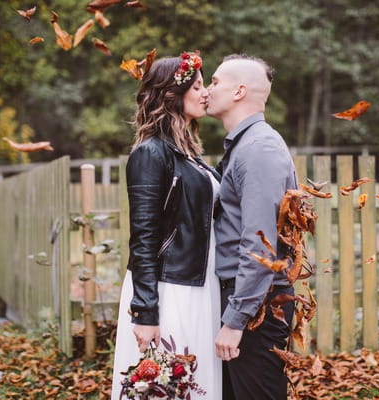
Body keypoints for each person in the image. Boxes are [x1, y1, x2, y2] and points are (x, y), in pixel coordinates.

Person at [110, 52, 222, 400]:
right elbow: (143, 237)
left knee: (195, 383)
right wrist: (145, 311)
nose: (206, 93)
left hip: (199, 286)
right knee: (169, 387)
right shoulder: (150, 153)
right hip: (170, 290)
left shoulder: (188, 153)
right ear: (172, 95)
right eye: (198, 86)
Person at [206, 54, 298, 399]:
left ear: (239, 91)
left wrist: (235, 320)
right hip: (248, 298)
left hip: (258, 303)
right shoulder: (245, 144)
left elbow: (261, 247)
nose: (207, 89)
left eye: (215, 82)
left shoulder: (258, 148)